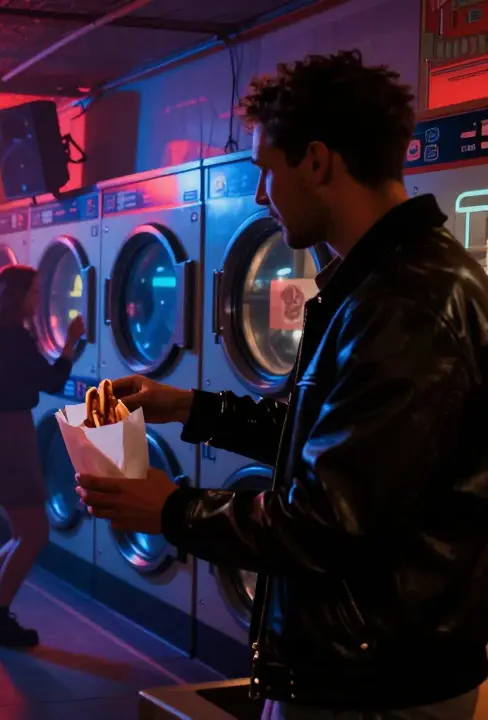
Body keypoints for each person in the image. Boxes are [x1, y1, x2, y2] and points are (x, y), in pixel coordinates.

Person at [74, 51, 488, 719]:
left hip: (375, 683)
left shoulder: (406, 305)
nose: (264, 193)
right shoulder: (382, 286)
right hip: (367, 663)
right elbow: (338, 444)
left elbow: (330, 521)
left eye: (268, 170)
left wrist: (171, 510)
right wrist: (186, 407)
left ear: (317, 162)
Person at [0, 264, 85, 648]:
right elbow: (50, 381)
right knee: (34, 533)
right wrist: (71, 343)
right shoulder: (16, 338)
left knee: (22, 531)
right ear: (18, 297)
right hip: (10, 434)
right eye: (33, 292)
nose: (37, 298)